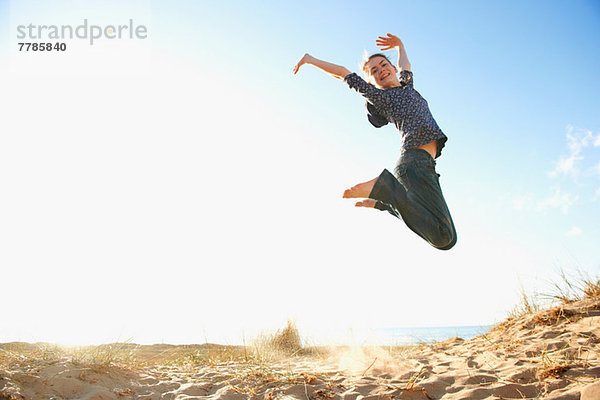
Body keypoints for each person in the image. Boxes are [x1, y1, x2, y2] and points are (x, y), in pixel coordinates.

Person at [293, 33, 457, 250]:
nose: (382, 71)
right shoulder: (380, 97)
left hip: (424, 165)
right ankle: (384, 188)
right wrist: (310, 59)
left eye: (383, 65)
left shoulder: (407, 84)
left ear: (393, 68)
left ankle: (382, 202)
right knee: (443, 237)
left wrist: (400, 46)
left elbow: (405, 64)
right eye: (375, 71)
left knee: (445, 237)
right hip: (413, 163)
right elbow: (343, 73)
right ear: (372, 81)